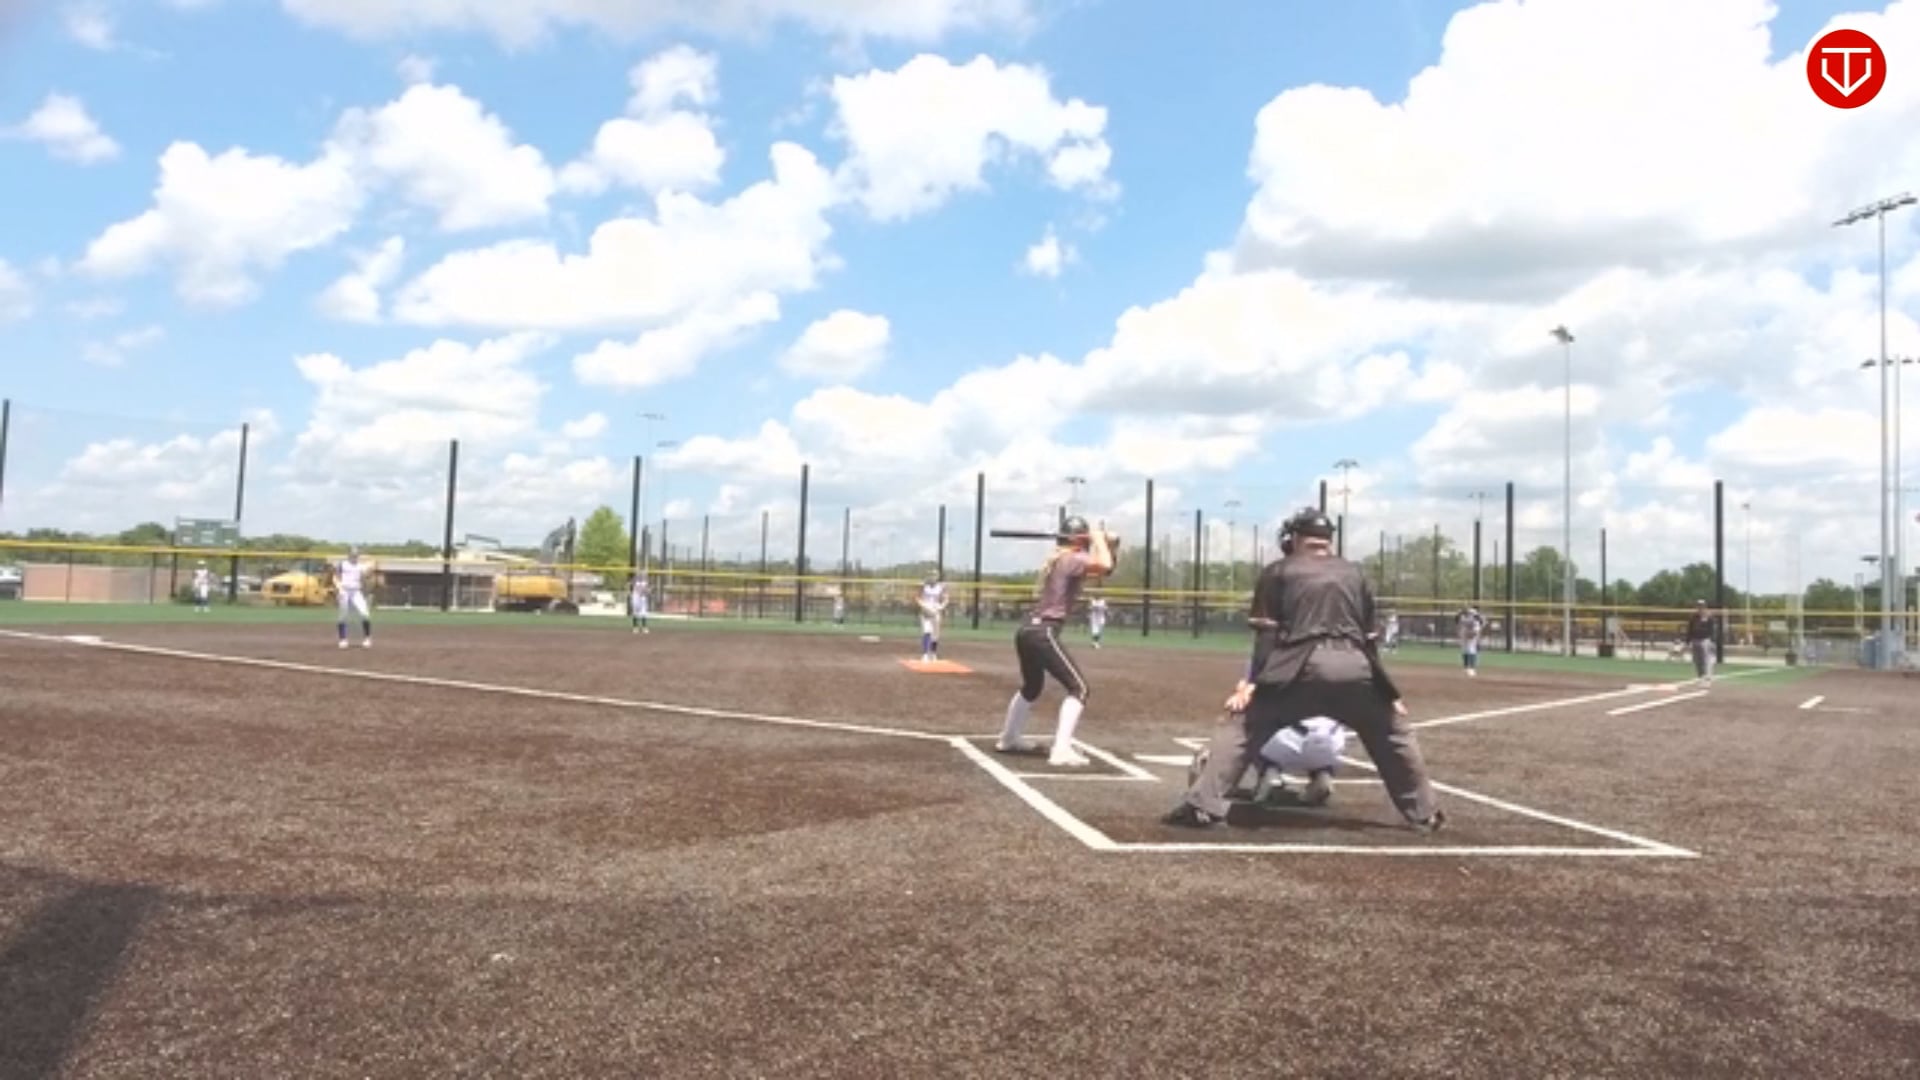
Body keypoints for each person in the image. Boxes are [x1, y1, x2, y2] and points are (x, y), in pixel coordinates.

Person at [1163, 507, 1444, 832]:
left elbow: (1267, 636)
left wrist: (1252, 683)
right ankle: (1425, 813)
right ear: (1328, 541)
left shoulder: (1278, 571)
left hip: (1300, 667)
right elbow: (1370, 641)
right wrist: (1389, 693)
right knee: (1393, 733)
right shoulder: (1356, 574)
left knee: (1243, 726)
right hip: (1356, 667)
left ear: (1295, 538)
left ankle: (1203, 807)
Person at [994, 516, 1115, 767]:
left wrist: (1109, 544)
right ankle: (1060, 750)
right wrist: (1099, 538)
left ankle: (1009, 738)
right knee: (1079, 689)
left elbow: (1107, 567)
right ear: (1079, 540)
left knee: (1032, 686)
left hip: (1028, 631)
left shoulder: (1065, 558)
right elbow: (1104, 564)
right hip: (1044, 632)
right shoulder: (1073, 559)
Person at [335, 547, 372, 649]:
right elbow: (336, 576)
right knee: (343, 615)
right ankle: (343, 639)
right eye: (353, 555)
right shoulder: (342, 564)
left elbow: (367, 576)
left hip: (356, 592)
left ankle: (367, 638)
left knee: (365, 613)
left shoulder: (361, 566)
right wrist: (339, 588)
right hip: (344, 591)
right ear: (349, 555)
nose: (355, 557)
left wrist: (370, 569)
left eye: (356, 555)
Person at [917, 571, 949, 662]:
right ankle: (925, 654)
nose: (932, 577)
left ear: (937, 577)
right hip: (925, 611)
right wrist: (923, 606)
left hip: (936, 611)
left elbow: (946, 599)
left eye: (934, 576)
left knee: (935, 634)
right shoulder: (924, 586)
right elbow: (917, 598)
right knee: (926, 631)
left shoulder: (941, 587)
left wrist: (941, 607)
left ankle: (933, 653)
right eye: (931, 575)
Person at [1686, 600, 1717, 684]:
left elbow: (1712, 629)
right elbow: (1690, 629)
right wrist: (1688, 640)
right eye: (1699, 606)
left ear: (1705, 607)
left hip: (1705, 640)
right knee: (1697, 659)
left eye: (1702, 606)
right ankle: (1700, 676)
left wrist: (1712, 640)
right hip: (1695, 639)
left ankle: (1707, 676)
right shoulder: (1693, 617)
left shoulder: (1709, 617)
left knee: (1706, 659)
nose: (1700, 608)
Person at [1457, 605, 1485, 676]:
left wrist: (1473, 635)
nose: (1470, 614)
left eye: (1471, 613)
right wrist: (1460, 613)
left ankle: (1472, 668)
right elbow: (1457, 620)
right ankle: (1466, 667)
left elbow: (1477, 628)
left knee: (1471, 649)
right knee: (1465, 649)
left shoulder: (1476, 620)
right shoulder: (1464, 617)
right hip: (1465, 633)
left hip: (1472, 633)